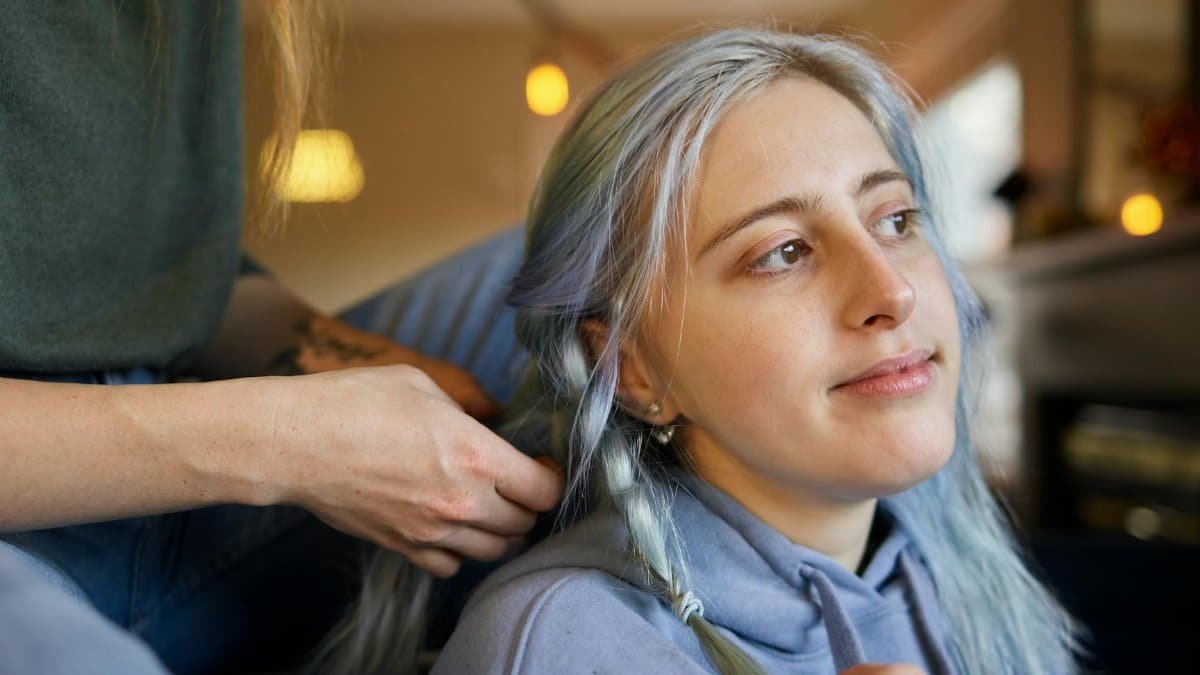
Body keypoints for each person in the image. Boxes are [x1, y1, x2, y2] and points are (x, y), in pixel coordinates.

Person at [423, 28, 1082, 674]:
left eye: (895, 220)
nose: (894, 290)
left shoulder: (967, 584)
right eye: (782, 252)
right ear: (629, 367)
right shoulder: (559, 644)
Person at [0, 3, 560, 673]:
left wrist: (379, 370)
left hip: (179, 495)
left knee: (581, 259)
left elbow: (179, 294)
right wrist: (293, 440)